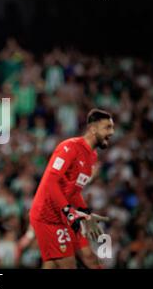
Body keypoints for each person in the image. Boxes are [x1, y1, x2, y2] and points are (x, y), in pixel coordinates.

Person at [29, 109, 114, 269]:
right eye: (107, 127)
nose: (112, 132)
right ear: (93, 129)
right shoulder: (69, 147)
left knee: (86, 257)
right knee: (68, 265)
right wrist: (69, 212)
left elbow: (73, 192)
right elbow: (51, 183)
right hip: (47, 216)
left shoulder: (92, 157)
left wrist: (86, 214)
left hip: (63, 215)